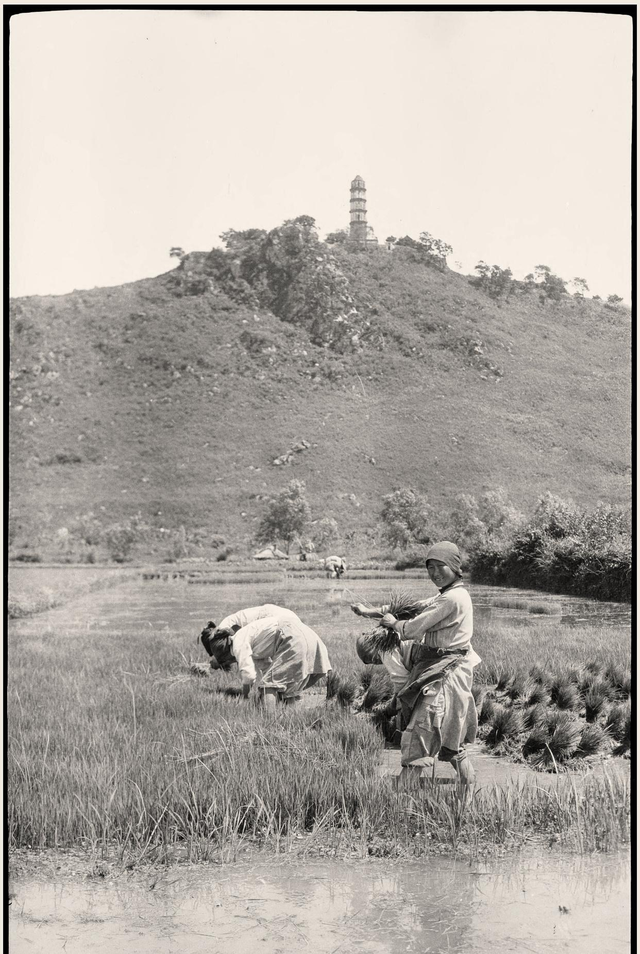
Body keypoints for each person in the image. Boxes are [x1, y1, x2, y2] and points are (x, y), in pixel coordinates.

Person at [356, 542, 480, 788]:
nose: (434, 573)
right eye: (430, 567)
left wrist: (393, 624)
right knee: (454, 745)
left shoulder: (453, 598)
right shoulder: (446, 594)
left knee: (419, 740)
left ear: (455, 567)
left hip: (444, 677)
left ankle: (399, 806)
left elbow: (412, 628)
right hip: (443, 671)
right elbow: (413, 608)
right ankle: (467, 796)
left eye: (439, 566)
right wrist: (370, 612)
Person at [200, 615, 331, 708]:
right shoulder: (250, 640)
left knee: (268, 687)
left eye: (229, 660)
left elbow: (249, 676)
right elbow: (267, 668)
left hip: (291, 635)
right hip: (306, 632)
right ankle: (292, 722)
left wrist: (245, 697)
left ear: (226, 652)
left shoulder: (238, 643)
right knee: (289, 689)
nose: (233, 662)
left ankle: (270, 725)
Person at [200, 603, 301, 659]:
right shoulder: (227, 628)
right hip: (290, 622)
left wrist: (221, 661)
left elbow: (238, 652)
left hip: (279, 624)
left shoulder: (227, 630)